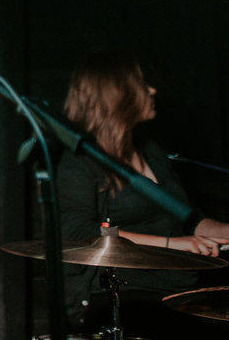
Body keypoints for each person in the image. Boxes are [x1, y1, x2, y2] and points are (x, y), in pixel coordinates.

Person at [57, 50, 229, 337]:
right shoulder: (79, 160)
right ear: (118, 94)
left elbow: (190, 220)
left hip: (181, 288)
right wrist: (175, 244)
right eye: (142, 85)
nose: (152, 91)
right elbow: (79, 232)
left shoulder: (151, 150)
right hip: (123, 294)